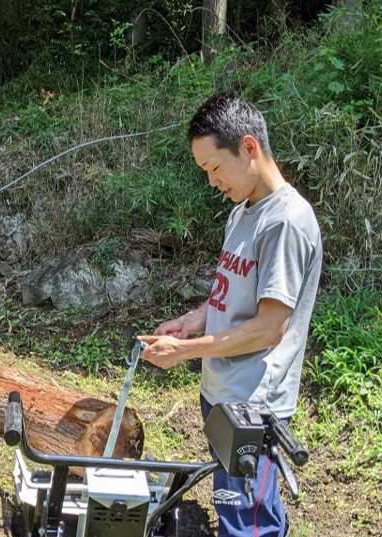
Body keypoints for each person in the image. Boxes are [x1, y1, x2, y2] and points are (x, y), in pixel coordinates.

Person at [138, 93, 322, 537]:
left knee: (247, 524)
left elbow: (269, 327)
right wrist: (192, 321)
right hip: (223, 394)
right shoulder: (242, 213)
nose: (211, 181)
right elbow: (230, 294)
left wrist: (185, 351)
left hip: (254, 409)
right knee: (242, 511)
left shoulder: (286, 222)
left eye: (214, 168)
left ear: (249, 148)